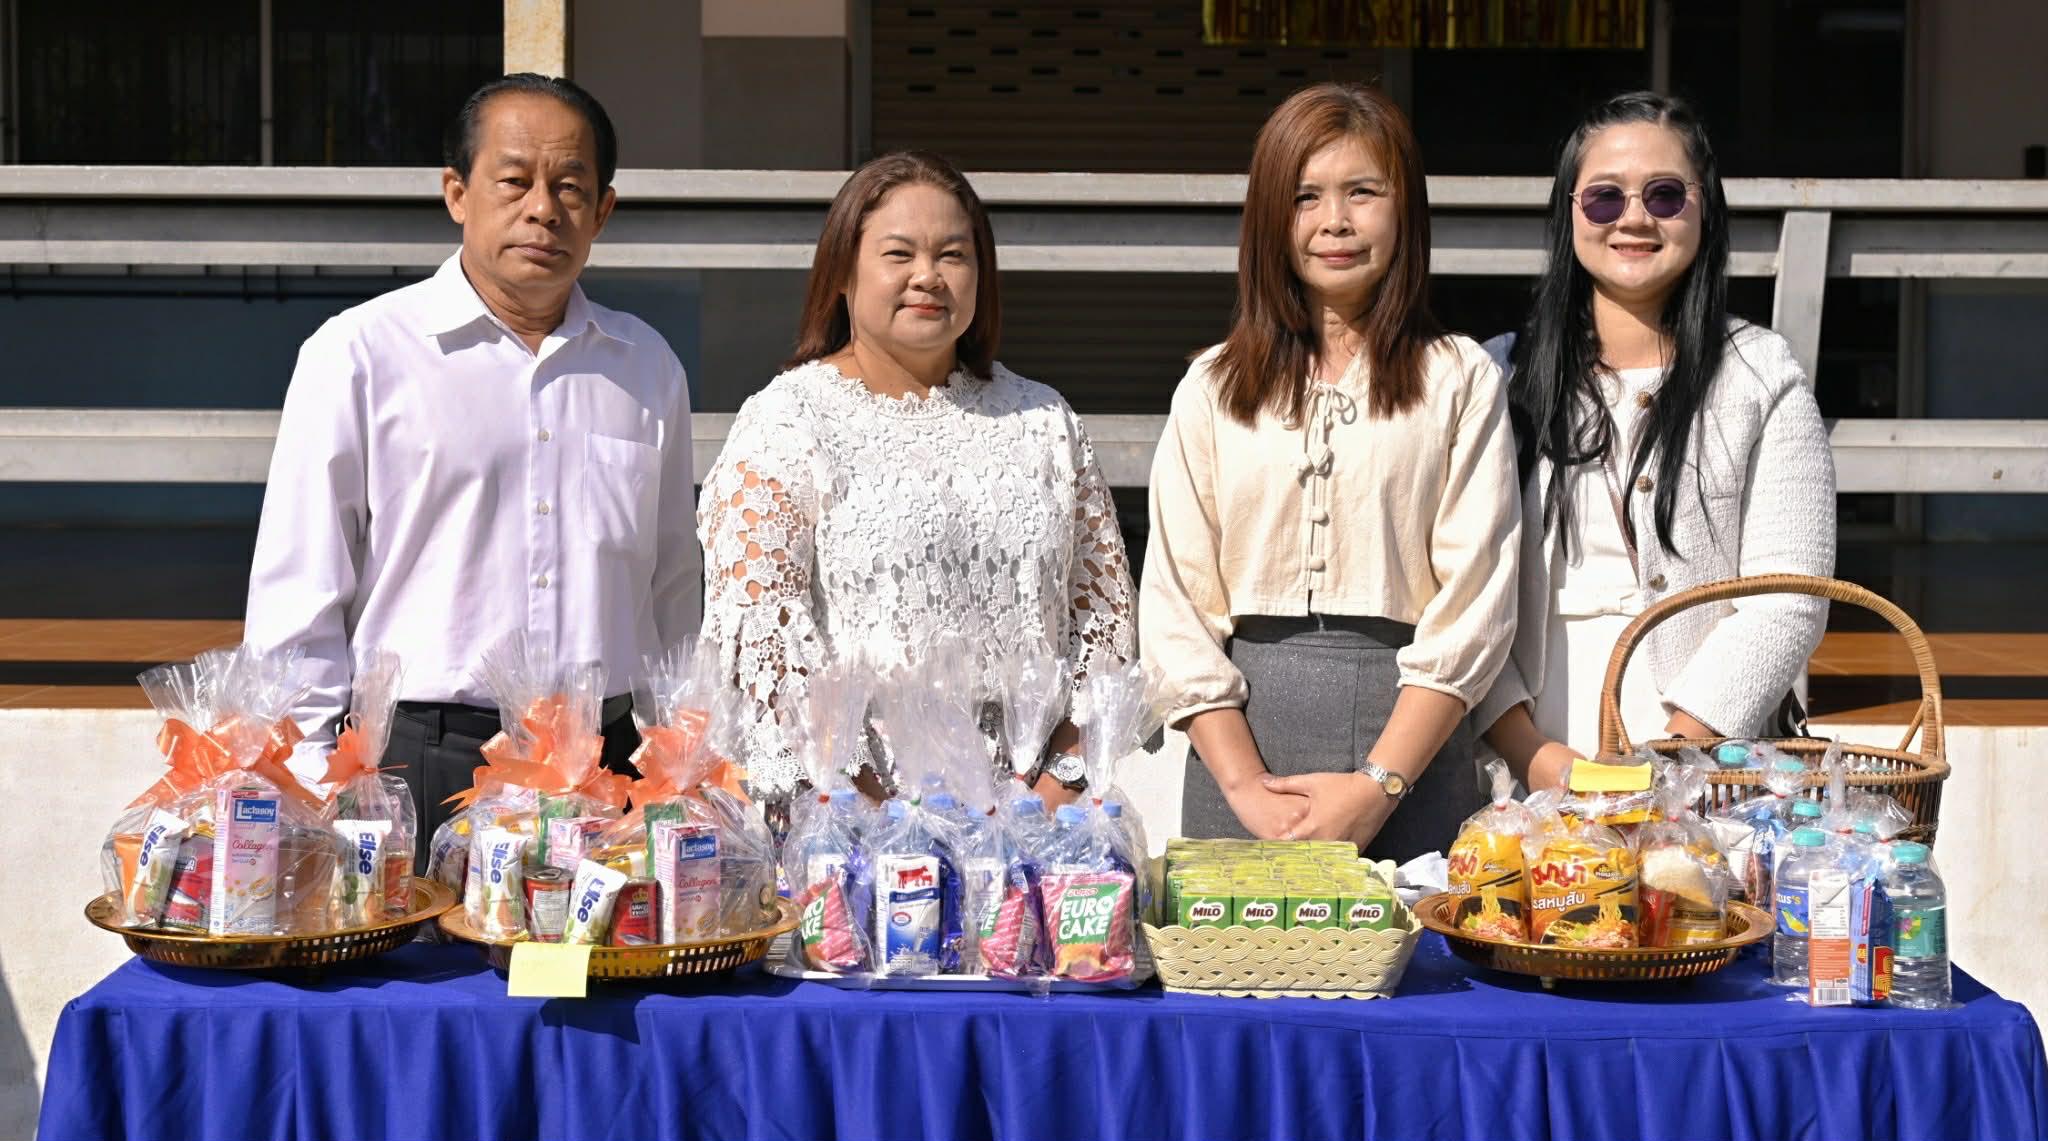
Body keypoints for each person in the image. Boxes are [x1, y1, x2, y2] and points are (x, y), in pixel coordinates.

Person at [244, 74, 701, 868]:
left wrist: (686, 769)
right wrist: (307, 788)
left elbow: (671, 591)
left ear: (604, 210)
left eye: (570, 187)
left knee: (602, 989)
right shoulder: (360, 356)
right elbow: (301, 596)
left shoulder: (647, 366)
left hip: (611, 764)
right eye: (514, 180)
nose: (543, 209)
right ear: (457, 193)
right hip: (426, 762)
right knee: (427, 990)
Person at [697, 150, 1135, 829]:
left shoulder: (1045, 421)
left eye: (953, 255)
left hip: (1035, 831)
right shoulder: (786, 422)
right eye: (898, 253)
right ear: (842, 269)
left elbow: (1103, 625)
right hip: (854, 835)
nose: (927, 276)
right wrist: (885, 814)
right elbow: (766, 643)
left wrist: (1047, 794)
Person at [1139, 83, 1521, 859]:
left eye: (1362, 193)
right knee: (1243, 970)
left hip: (1410, 745)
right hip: (1241, 745)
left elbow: (1477, 597)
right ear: (1269, 219)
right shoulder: (1212, 386)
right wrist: (1246, 785)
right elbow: (1175, 604)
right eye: (1305, 196)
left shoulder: (1460, 377)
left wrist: (1379, 781)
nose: (1334, 221)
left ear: (1404, 209)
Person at [1475, 92, 1837, 790]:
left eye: (1665, 195)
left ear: (1704, 210)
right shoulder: (1497, 374)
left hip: (1705, 767)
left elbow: (1789, 597)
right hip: (1522, 761)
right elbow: (1453, 587)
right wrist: (1536, 757)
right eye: (1604, 198)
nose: (1634, 217)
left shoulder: (1762, 374)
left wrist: (1668, 759)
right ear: (1569, 211)